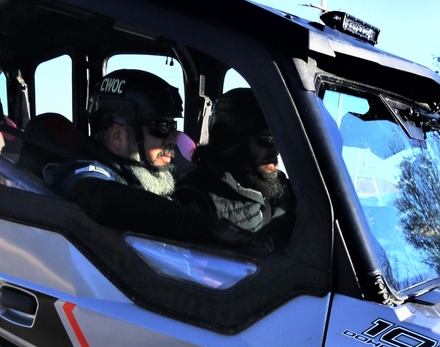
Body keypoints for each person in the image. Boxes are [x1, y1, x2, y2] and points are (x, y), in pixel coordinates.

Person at [47, 69, 222, 243]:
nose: (171, 140)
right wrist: (203, 226)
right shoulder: (83, 172)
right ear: (117, 136)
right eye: (160, 127)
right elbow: (99, 198)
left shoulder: (154, 172)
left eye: (172, 127)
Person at [175, 89, 295, 250]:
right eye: (266, 140)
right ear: (230, 141)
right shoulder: (196, 199)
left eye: (279, 140)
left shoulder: (281, 185)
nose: (276, 152)